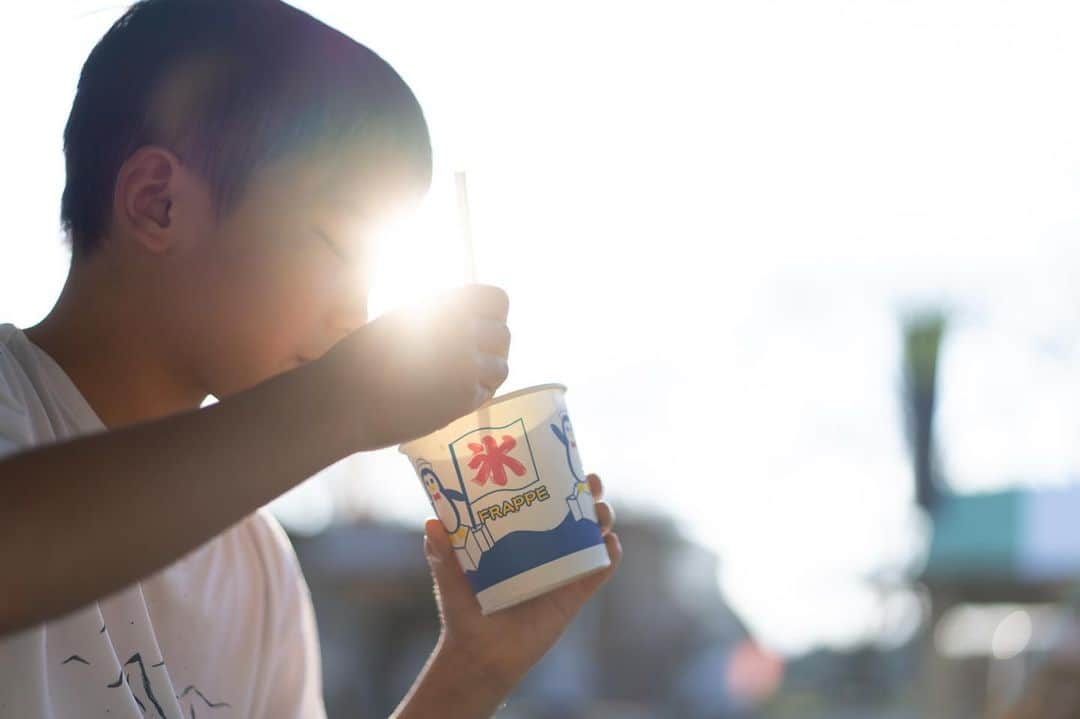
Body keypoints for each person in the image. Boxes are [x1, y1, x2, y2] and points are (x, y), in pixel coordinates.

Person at [0, 1, 621, 717]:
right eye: (335, 246)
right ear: (158, 203)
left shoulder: (256, 565)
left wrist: (474, 668)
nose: (353, 319)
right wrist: (343, 400)